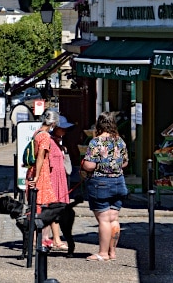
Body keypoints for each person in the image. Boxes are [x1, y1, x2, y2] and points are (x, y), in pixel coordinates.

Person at [81, 111, 129, 262]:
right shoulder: (120, 141)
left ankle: (102, 253)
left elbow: (90, 165)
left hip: (100, 183)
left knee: (103, 219)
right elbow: (125, 162)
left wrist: (83, 163)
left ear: (99, 124)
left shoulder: (96, 142)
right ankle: (112, 252)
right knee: (114, 218)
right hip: (119, 182)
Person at [26, 108, 60, 242]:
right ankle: (36, 240)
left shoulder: (37, 132)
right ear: (53, 123)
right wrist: (37, 176)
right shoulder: (45, 136)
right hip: (41, 173)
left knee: (38, 206)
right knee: (43, 207)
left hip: (34, 170)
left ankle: (41, 239)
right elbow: (40, 156)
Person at [44, 114, 73, 250]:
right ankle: (55, 239)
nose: (65, 131)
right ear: (55, 127)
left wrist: (64, 152)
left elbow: (69, 169)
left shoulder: (59, 143)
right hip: (52, 179)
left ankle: (49, 238)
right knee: (55, 209)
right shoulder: (49, 141)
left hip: (60, 179)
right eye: (63, 128)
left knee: (57, 209)